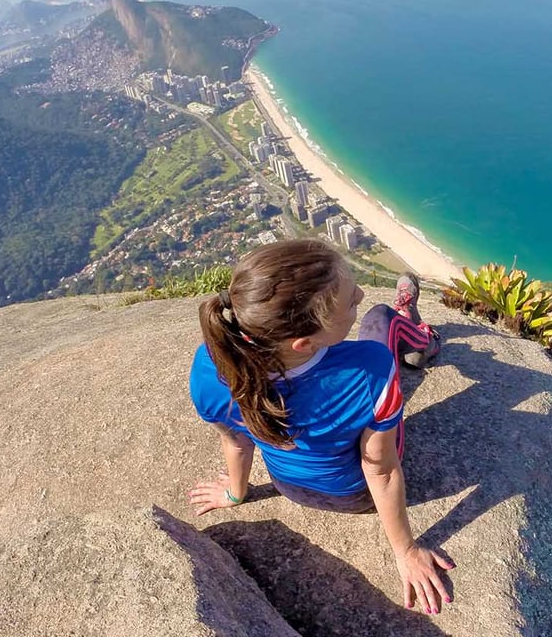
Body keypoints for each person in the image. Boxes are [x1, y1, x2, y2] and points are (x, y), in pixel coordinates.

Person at [187, 239, 453, 614]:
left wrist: (235, 493)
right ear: (304, 343)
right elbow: (380, 470)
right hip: (358, 495)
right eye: (350, 301)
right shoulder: (369, 367)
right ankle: (423, 339)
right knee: (379, 319)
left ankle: (413, 339)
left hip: (290, 488)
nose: (359, 292)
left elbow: (237, 443)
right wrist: (406, 552)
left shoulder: (209, 371)